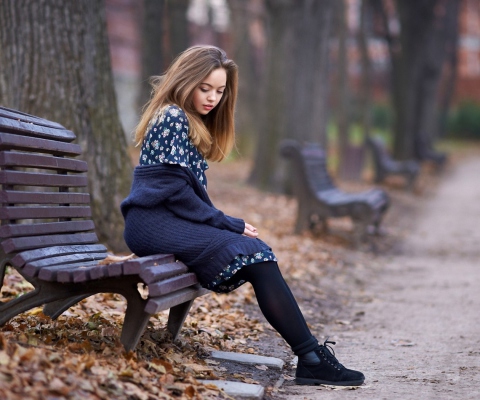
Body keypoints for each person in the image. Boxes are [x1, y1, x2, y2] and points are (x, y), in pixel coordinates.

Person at [120, 45, 365, 387]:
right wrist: (225, 222)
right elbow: (175, 193)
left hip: (167, 220)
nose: (212, 98)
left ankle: (310, 357)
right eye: (204, 88)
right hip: (153, 222)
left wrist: (222, 222)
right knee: (254, 254)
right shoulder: (172, 116)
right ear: (184, 80)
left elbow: (182, 195)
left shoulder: (187, 121)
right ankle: (311, 358)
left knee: (257, 253)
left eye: (219, 91)